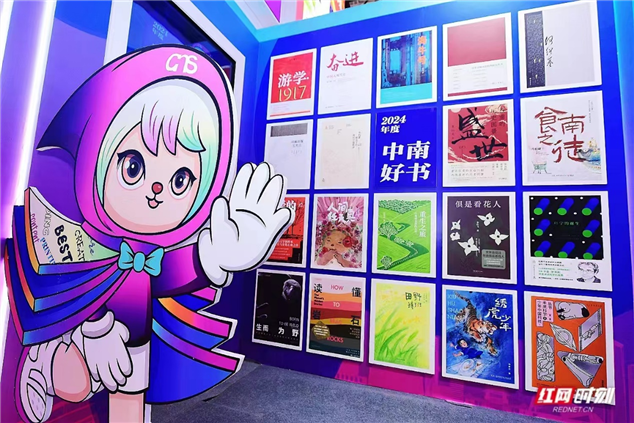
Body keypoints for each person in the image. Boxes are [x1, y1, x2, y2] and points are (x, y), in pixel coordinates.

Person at [6, 45, 293, 423]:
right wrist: (95, 329)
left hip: (137, 334)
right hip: (87, 333)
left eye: (180, 180)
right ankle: (47, 361)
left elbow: (172, 272)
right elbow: (78, 281)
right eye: (134, 166)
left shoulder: (154, 253)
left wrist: (214, 255)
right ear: (97, 156)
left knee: (130, 400)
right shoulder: (90, 240)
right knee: (76, 382)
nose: (156, 191)